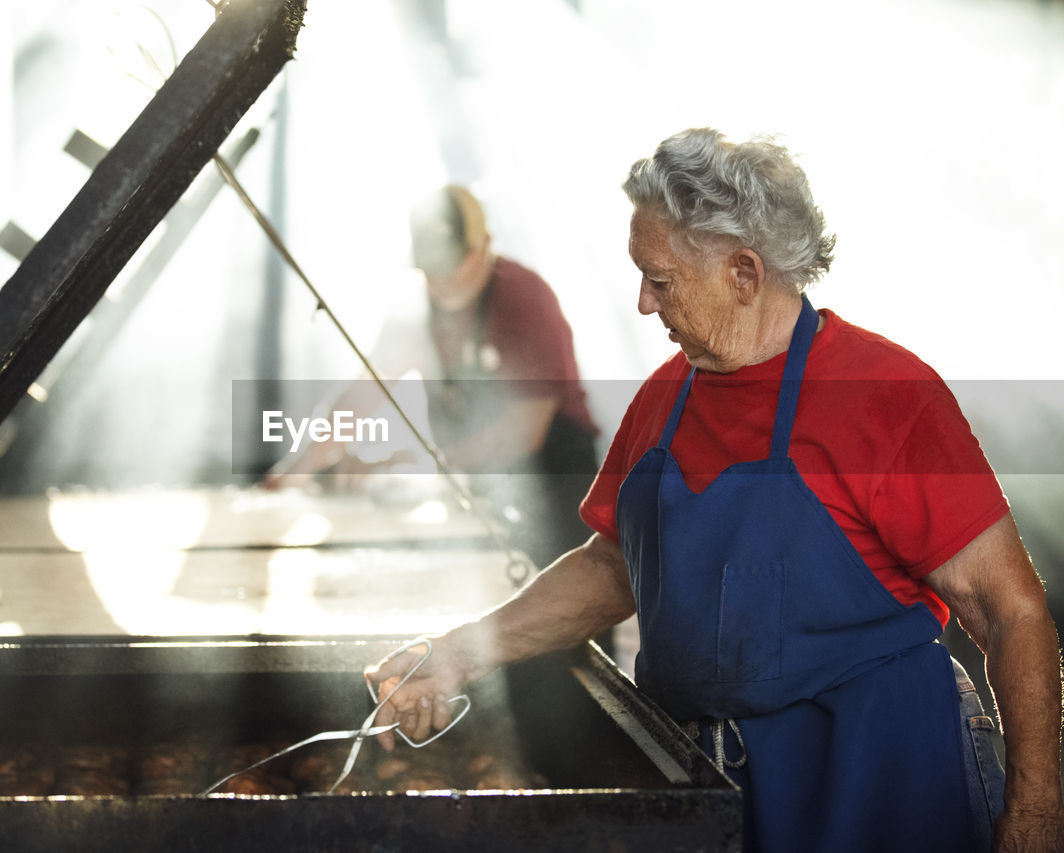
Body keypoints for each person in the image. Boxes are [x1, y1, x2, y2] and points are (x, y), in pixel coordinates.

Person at [364, 129, 1064, 852]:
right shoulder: (662, 402)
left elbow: (1009, 607)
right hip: (716, 792)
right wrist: (456, 652)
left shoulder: (886, 396)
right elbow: (611, 569)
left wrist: (1038, 811)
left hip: (882, 784)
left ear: (743, 272)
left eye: (659, 279)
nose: (642, 302)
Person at [263, 185, 600, 571]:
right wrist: (296, 469)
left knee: (569, 606)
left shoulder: (523, 298)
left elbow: (526, 429)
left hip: (555, 480)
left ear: (484, 245)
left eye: (451, 261)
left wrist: (424, 466)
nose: (441, 279)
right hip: (477, 484)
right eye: (430, 265)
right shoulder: (414, 309)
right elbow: (363, 394)